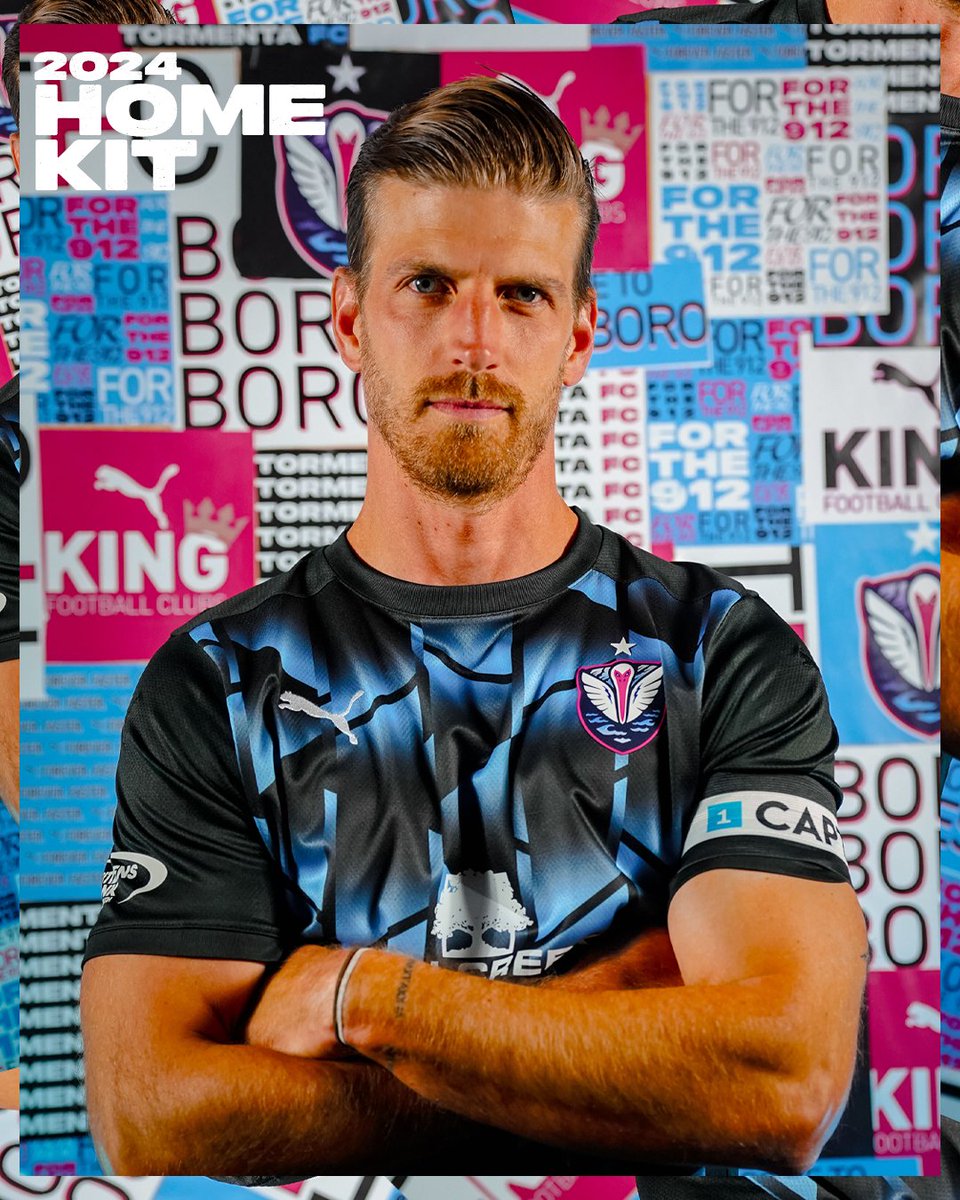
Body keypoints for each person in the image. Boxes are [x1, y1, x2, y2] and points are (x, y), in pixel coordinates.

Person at [80, 75, 867, 1178]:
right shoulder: (217, 680)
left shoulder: (718, 648)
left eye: (523, 296)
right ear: (350, 319)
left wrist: (370, 998)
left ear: (579, 335)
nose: (474, 342)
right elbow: (149, 1108)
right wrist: (624, 1041)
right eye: (428, 285)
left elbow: (784, 1085)